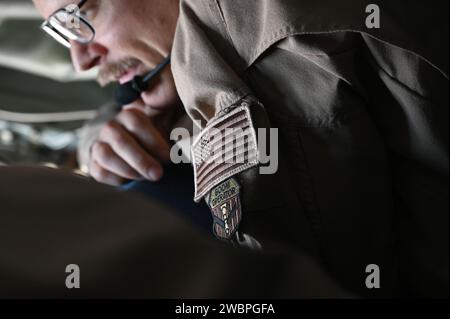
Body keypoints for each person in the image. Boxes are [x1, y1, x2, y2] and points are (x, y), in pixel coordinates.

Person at [27, 0, 449, 297]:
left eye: (78, 16)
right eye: (62, 34)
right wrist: (97, 141)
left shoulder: (234, 26)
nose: (80, 59)